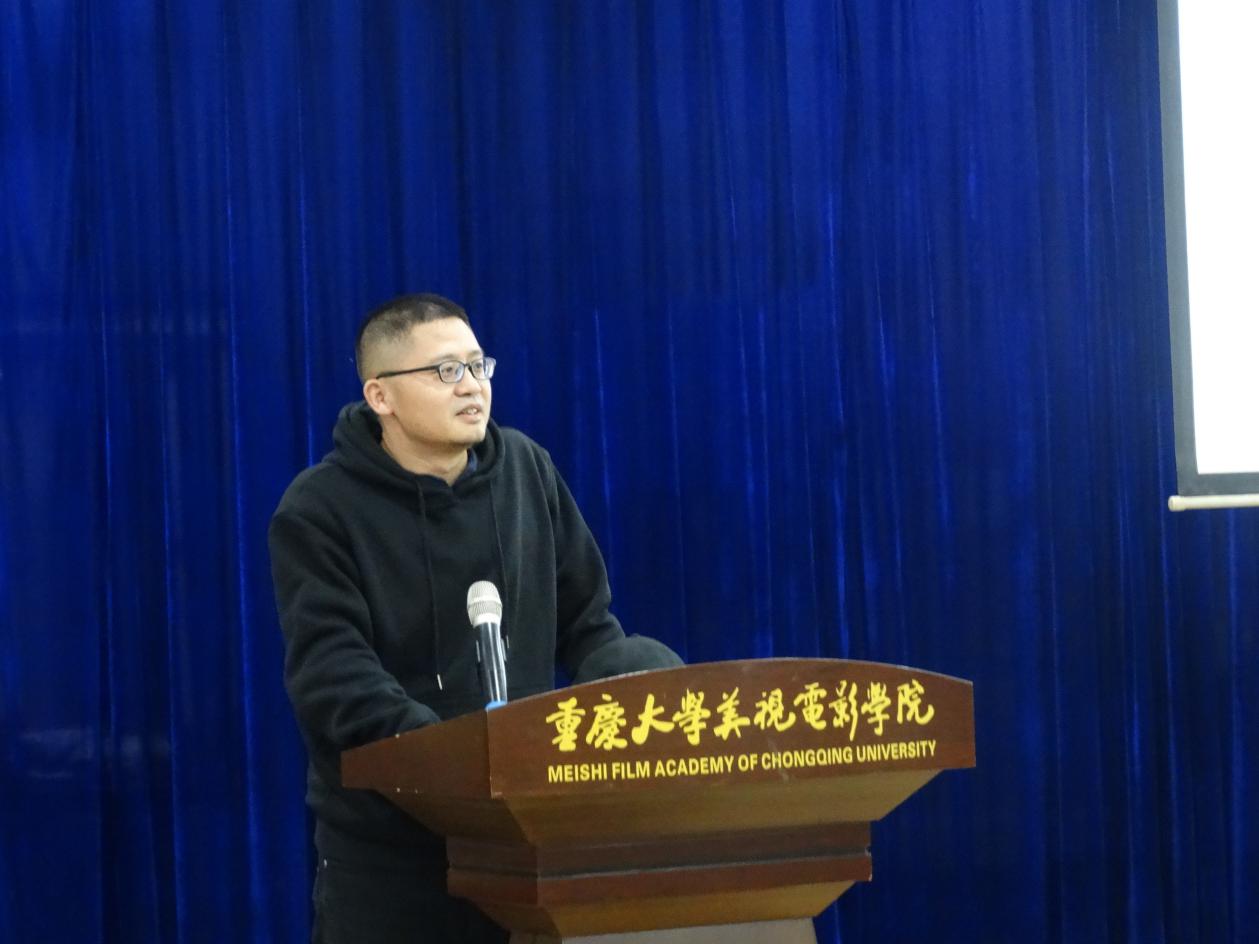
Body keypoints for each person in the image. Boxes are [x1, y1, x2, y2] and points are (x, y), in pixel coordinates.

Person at [268, 293, 681, 944]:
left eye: (478, 365)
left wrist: (636, 695)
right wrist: (455, 767)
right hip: (392, 856)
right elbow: (334, 678)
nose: (471, 387)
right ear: (380, 396)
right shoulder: (319, 509)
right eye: (445, 371)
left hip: (527, 840)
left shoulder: (527, 469)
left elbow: (588, 627)